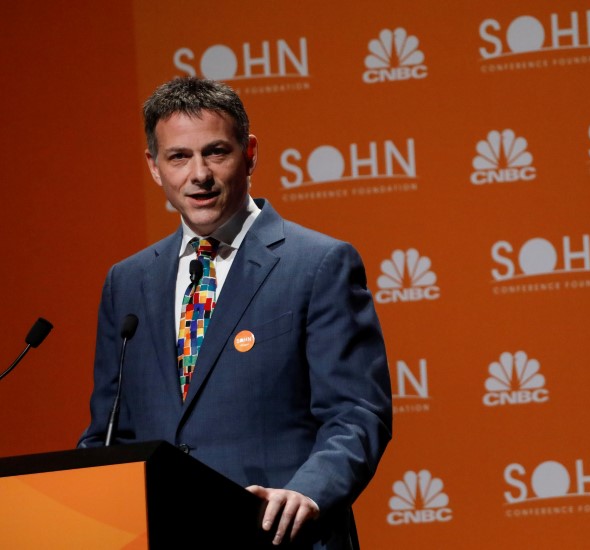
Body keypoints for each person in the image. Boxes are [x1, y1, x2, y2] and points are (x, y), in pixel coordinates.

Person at [78, 77, 392, 549]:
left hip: (280, 537)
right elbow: (110, 435)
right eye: (179, 157)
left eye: (216, 152)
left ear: (250, 153)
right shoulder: (128, 282)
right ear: (155, 167)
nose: (198, 174)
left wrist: (308, 491)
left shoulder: (318, 264)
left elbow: (356, 413)